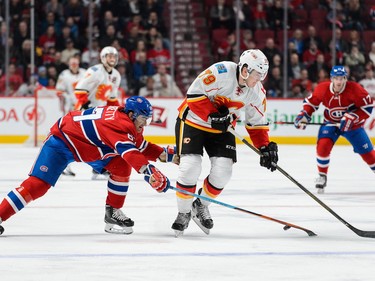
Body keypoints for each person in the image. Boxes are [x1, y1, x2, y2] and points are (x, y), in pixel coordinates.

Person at [0, 96, 177, 236]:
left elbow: (140, 146)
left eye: (147, 119)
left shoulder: (130, 123)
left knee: (122, 166)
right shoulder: (119, 124)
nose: (145, 124)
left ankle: (112, 212)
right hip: (63, 142)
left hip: (90, 146)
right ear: (131, 115)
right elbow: (129, 152)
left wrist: (168, 155)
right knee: (38, 185)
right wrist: (150, 173)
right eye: (143, 119)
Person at [172, 49, 279, 236]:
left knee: (223, 172)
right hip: (193, 121)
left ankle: (200, 205)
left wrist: (264, 147)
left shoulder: (257, 92)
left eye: (262, 75)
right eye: (257, 75)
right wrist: (212, 115)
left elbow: (257, 122)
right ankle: (183, 211)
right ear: (245, 70)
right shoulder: (220, 72)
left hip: (222, 128)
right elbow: (194, 95)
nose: (259, 79)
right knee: (190, 168)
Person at [294, 66, 375, 194]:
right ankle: (322, 176)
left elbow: (368, 106)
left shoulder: (355, 89)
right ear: (331, 78)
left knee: (369, 156)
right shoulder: (322, 88)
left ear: (345, 79)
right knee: (322, 146)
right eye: (336, 78)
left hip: (352, 126)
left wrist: (353, 117)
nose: (338, 81)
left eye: (341, 78)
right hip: (331, 123)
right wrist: (304, 115)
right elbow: (311, 103)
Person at [74, 46, 121, 180]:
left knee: (100, 141)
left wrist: (117, 112)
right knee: (85, 142)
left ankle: (98, 167)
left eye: (114, 56)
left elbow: (112, 98)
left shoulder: (116, 75)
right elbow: (80, 89)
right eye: (109, 56)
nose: (112, 59)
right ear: (103, 57)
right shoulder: (95, 71)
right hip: (84, 111)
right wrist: (87, 107)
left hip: (99, 113)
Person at [55, 56, 86, 176]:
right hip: (70, 112)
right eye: (72, 64)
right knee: (67, 137)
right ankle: (63, 165)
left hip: (83, 111)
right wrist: (68, 98)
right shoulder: (64, 75)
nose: (74, 65)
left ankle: (99, 166)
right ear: (69, 64)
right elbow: (59, 91)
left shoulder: (84, 73)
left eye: (75, 63)